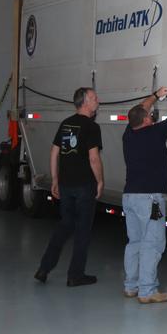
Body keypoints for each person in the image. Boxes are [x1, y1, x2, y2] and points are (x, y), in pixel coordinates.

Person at [121, 87, 167, 304]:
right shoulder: (155, 132)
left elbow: (140, 110)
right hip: (150, 200)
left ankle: (131, 286)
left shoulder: (128, 134)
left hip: (130, 197)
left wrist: (156, 96)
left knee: (135, 242)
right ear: (147, 120)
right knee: (153, 243)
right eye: (149, 115)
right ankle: (147, 290)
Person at [35, 87, 103, 287]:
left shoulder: (66, 124)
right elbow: (94, 158)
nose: (97, 100)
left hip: (66, 185)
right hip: (84, 186)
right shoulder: (92, 127)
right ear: (85, 102)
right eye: (94, 98)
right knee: (82, 231)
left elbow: (54, 153)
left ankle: (44, 268)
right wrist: (100, 181)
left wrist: (55, 179)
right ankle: (75, 275)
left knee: (64, 226)